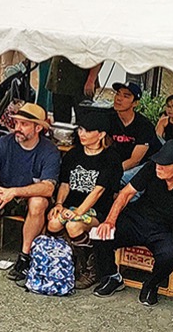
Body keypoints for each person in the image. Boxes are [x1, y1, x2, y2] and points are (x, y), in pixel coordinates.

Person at [0, 103, 60, 281]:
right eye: (16, 123)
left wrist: (14, 192)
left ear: (38, 128)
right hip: (2, 194)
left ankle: (25, 257)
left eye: (24, 124)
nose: (17, 128)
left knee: (38, 202)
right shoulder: (4, 143)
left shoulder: (49, 150)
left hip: (26, 197)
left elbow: (48, 187)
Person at [91, 140, 173, 307]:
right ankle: (111, 277)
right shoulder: (152, 167)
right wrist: (110, 221)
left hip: (166, 230)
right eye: (158, 162)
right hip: (138, 218)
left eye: (164, 164)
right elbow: (126, 193)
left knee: (171, 254)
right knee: (101, 234)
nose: (159, 167)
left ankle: (151, 284)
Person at [48, 114, 120, 289]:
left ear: (101, 134)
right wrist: (59, 204)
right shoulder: (73, 154)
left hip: (98, 210)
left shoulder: (111, 158)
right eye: (80, 129)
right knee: (53, 224)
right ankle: (70, 261)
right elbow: (65, 184)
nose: (82, 134)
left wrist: (78, 212)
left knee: (74, 226)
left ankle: (91, 268)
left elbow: (98, 191)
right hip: (71, 206)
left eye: (87, 131)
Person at [106, 81, 160, 183]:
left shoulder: (144, 125)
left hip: (145, 164)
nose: (119, 98)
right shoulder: (109, 118)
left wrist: (110, 172)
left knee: (119, 180)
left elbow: (135, 161)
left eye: (126, 96)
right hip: (119, 161)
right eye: (118, 93)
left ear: (135, 103)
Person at [45, 56, 100, 125]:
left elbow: (98, 57)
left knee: (84, 122)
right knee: (60, 122)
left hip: (81, 83)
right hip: (59, 83)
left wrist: (91, 80)